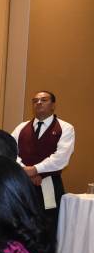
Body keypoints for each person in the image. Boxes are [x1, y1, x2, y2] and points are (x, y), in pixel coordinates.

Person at [11, 91, 75, 234]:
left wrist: (35, 169)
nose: (38, 103)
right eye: (35, 101)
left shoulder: (65, 128)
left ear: (53, 105)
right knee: (20, 223)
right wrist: (26, 171)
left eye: (44, 100)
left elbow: (61, 157)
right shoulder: (21, 128)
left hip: (49, 184)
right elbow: (10, 150)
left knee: (48, 226)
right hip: (23, 183)